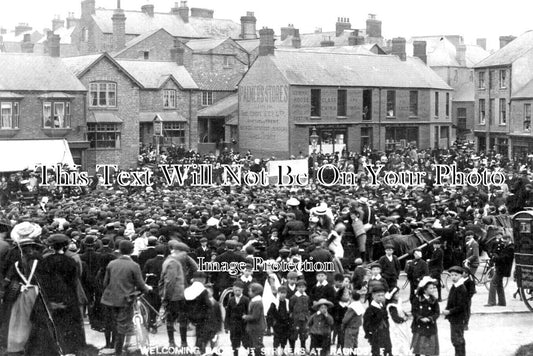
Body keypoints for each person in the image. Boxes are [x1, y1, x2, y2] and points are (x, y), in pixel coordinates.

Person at [26, 234, 87, 355]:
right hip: (68, 299)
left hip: (49, 299)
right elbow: (74, 280)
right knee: (69, 328)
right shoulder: (70, 261)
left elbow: (41, 282)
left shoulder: (44, 261)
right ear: (65, 246)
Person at [100, 240, 152, 356]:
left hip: (109, 300)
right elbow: (140, 284)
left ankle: (113, 347)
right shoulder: (134, 265)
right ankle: (119, 352)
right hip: (125, 300)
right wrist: (148, 289)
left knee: (114, 324)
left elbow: (105, 283)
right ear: (132, 251)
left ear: (119, 250)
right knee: (122, 327)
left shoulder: (112, 264)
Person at [159, 240, 187, 347]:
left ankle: (173, 343)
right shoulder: (173, 263)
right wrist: (166, 298)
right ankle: (178, 343)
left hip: (175, 296)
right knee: (178, 319)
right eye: (184, 253)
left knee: (172, 319)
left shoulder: (170, 261)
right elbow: (170, 282)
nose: (185, 256)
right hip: (175, 297)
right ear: (178, 251)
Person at [411, 276, 440, 356]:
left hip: (430, 326)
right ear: (424, 289)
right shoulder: (418, 299)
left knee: (429, 348)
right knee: (418, 347)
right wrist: (420, 318)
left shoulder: (434, 300)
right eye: (430, 288)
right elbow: (414, 311)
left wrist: (430, 318)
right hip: (420, 326)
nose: (433, 290)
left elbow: (437, 312)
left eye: (433, 288)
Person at [443, 266, 468, 356]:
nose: (453, 277)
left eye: (456, 275)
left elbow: (461, 306)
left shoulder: (461, 288)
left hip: (458, 318)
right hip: (454, 318)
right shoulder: (455, 286)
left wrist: (449, 311)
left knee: (458, 339)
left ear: (461, 276)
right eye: (452, 275)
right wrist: (447, 308)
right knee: (455, 339)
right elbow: (451, 300)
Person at [184, 271, 212, 353]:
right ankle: (200, 348)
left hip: (188, 316)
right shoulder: (203, 291)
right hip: (201, 317)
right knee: (201, 332)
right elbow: (208, 304)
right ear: (203, 280)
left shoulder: (187, 290)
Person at [363, 285, 392, 356]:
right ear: (373, 296)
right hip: (376, 335)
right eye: (378, 295)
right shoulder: (370, 309)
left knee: (387, 350)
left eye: (382, 295)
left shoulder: (382, 307)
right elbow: (366, 324)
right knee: (377, 352)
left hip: (385, 334)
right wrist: (369, 334)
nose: (381, 298)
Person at [487, 237, 514, 307]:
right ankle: (502, 302)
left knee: (493, 282)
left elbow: (504, 258)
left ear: (509, 239)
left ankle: (491, 302)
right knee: (499, 284)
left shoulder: (511, 248)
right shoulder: (507, 246)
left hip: (502, 268)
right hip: (501, 268)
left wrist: (495, 258)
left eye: (505, 240)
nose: (503, 242)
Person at [225, 281, 249, 356]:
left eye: (239, 290)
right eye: (235, 290)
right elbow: (227, 314)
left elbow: (249, 312)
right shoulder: (231, 300)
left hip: (243, 325)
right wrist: (226, 326)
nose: (237, 292)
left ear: (242, 290)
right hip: (234, 325)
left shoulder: (246, 299)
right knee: (234, 343)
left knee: (246, 342)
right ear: (233, 290)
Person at [267, 285, 291, 356]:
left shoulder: (287, 302)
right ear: (278, 293)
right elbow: (269, 314)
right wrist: (270, 325)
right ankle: (275, 351)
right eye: (281, 293)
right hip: (277, 323)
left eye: (284, 293)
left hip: (285, 323)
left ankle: (283, 350)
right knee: (277, 338)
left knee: (284, 338)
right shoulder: (274, 302)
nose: (283, 294)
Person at [385, 287, 410, 356]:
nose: (398, 295)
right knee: (398, 340)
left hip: (402, 325)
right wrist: (403, 319)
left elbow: (400, 310)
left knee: (404, 339)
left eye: (398, 293)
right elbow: (395, 318)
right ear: (392, 296)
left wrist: (405, 314)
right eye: (396, 294)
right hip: (396, 326)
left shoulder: (399, 301)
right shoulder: (391, 306)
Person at [243, 282, 266, 356]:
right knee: (252, 345)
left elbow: (255, 316)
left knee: (257, 345)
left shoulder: (257, 302)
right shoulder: (254, 300)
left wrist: (246, 317)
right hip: (253, 327)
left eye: (250, 291)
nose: (248, 292)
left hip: (257, 327)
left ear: (255, 292)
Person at [289, 279, 310, 352]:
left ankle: (303, 349)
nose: (301, 289)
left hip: (304, 318)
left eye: (303, 287)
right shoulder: (294, 297)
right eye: (299, 287)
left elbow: (308, 307)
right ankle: (292, 349)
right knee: (294, 334)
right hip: (296, 318)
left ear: (305, 288)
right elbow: (291, 307)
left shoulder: (307, 297)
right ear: (297, 288)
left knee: (303, 334)